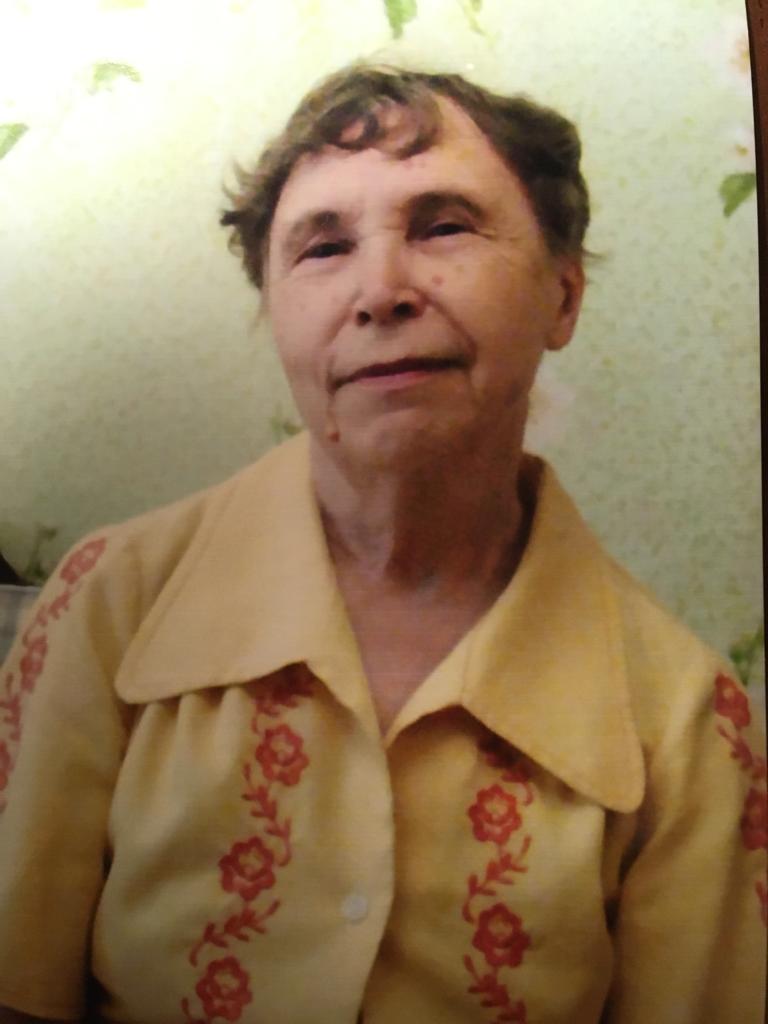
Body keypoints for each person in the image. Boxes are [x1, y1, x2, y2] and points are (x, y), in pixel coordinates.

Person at [0, 64, 765, 1024]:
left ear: (563, 296)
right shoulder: (108, 602)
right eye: (323, 247)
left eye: (443, 227)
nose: (381, 291)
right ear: (274, 312)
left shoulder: (688, 721)